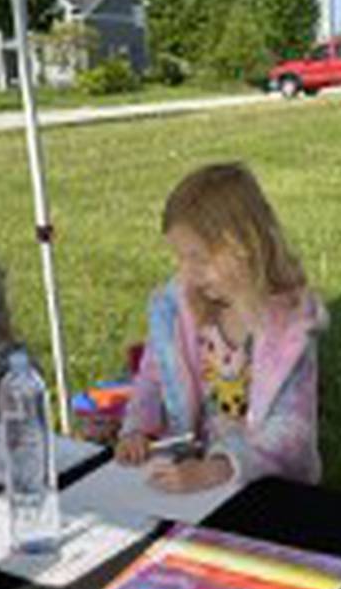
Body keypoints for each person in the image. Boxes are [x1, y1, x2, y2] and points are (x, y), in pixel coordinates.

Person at [116, 162, 326, 493]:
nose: (187, 272)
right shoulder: (178, 310)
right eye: (181, 258)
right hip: (189, 475)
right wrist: (137, 429)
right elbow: (151, 379)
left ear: (243, 245)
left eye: (198, 258)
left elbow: (292, 432)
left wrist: (222, 468)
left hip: (262, 484)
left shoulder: (289, 327)